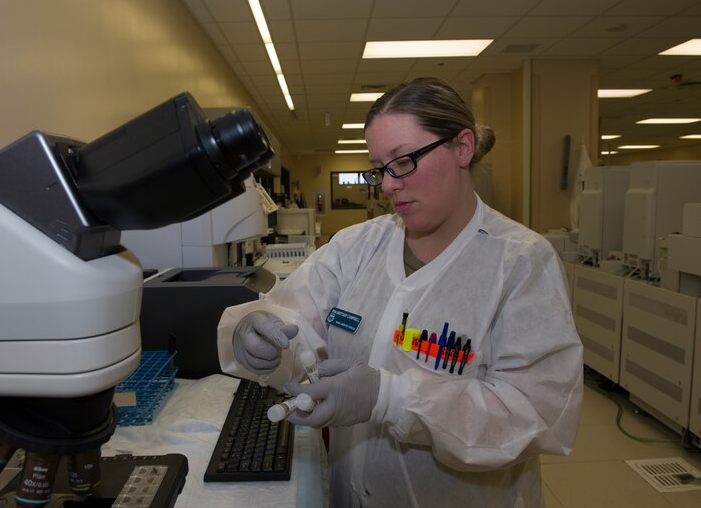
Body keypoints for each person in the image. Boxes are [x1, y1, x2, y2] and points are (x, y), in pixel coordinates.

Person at [217, 77, 583, 507]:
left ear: (463, 147)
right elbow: (294, 322)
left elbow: (532, 413)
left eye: (403, 161)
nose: (388, 184)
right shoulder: (356, 248)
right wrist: (257, 334)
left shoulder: (521, 263)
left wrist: (390, 398)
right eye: (378, 168)